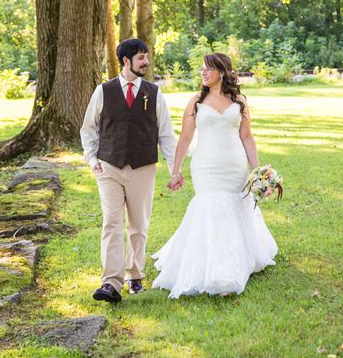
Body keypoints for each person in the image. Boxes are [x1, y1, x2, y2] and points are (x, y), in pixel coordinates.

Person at [152, 52, 277, 299]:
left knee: (234, 208)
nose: (203, 72)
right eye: (201, 69)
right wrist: (175, 171)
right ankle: (212, 266)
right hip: (206, 166)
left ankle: (234, 263)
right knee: (210, 206)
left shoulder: (239, 100)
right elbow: (185, 138)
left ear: (221, 71)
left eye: (208, 69)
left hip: (234, 164)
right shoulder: (196, 101)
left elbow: (247, 137)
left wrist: (257, 171)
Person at [80, 38, 182, 303]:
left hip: (143, 168)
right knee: (111, 222)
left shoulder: (154, 93)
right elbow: (88, 129)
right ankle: (110, 283)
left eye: (146, 56)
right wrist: (92, 160)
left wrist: (174, 170)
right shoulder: (103, 91)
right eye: (140, 58)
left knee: (138, 225)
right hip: (109, 167)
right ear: (126, 61)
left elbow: (167, 135)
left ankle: (134, 276)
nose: (146, 62)